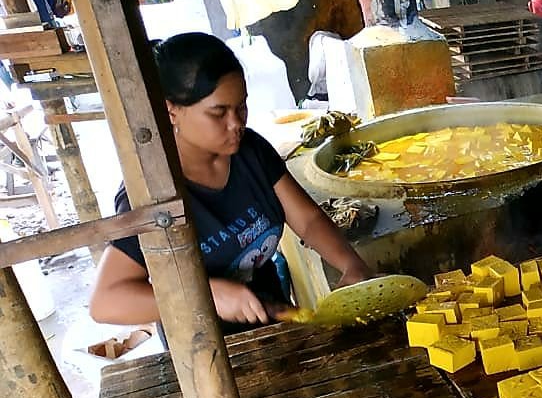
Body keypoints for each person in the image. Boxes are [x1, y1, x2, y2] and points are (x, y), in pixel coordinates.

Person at [89, 32, 372, 333]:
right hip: (205, 348)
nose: (236, 123)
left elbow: (307, 219)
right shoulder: (150, 194)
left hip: (273, 319)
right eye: (218, 112)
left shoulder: (250, 150)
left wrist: (351, 265)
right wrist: (209, 294)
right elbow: (106, 302)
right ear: (172, 111)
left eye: (241, 107)